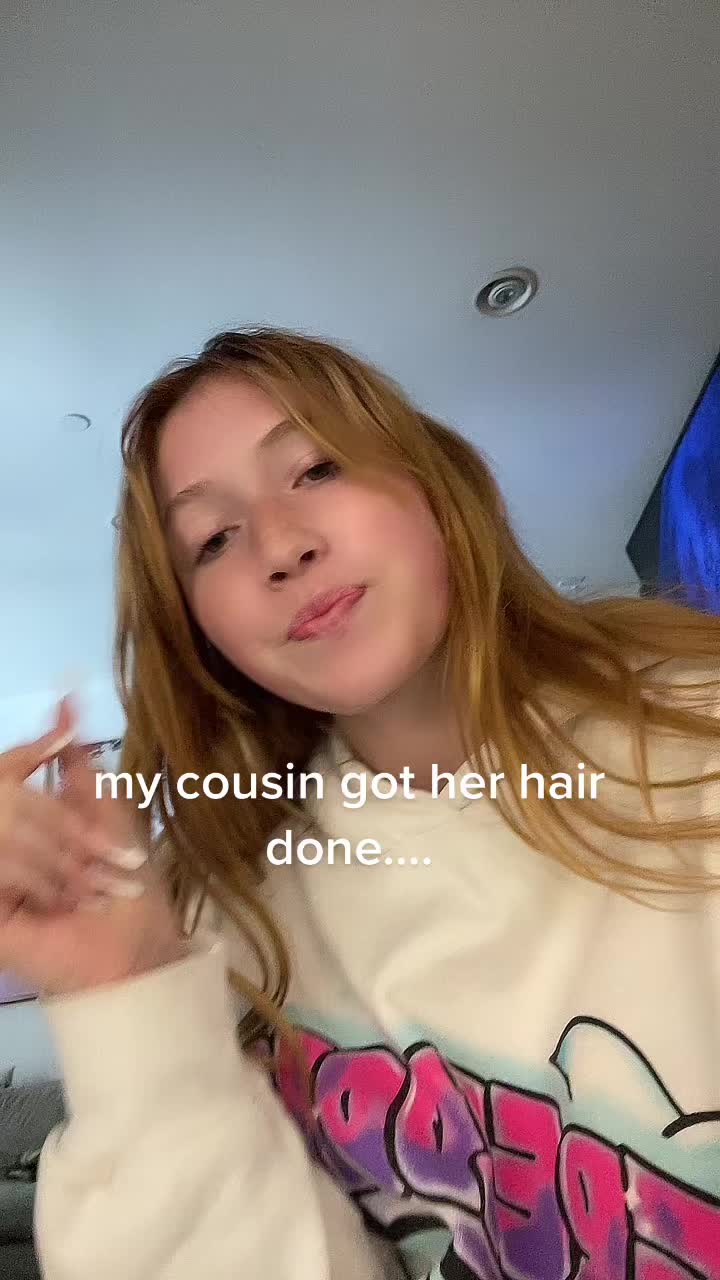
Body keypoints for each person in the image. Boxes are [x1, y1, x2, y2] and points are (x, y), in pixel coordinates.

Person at [1, 328, 720, 1280]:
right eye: (212, 539)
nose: (281, 547)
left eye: (317, 468)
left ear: (433, 483)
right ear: (199, 630)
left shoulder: (696, 733)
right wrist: (121, 991)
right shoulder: (227, 914)